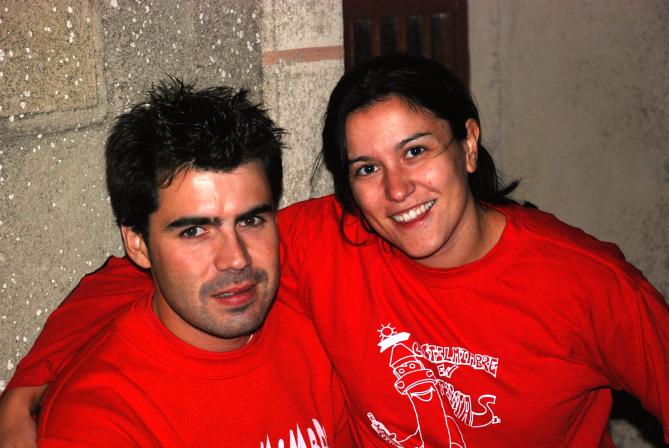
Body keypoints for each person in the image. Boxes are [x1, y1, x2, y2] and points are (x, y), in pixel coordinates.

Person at [2, 56, 668, 447]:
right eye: (366, 168)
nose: (398, 189)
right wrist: (29, 383)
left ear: (467, 144)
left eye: (416, 150)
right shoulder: (329, 241)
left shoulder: (584, 282)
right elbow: (138, 272)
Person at [2, 79, 351, 446]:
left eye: (250, 221)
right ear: (138, 244)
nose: (236, 258)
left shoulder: (311, 328)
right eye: (194, 231)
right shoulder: (100, 419)